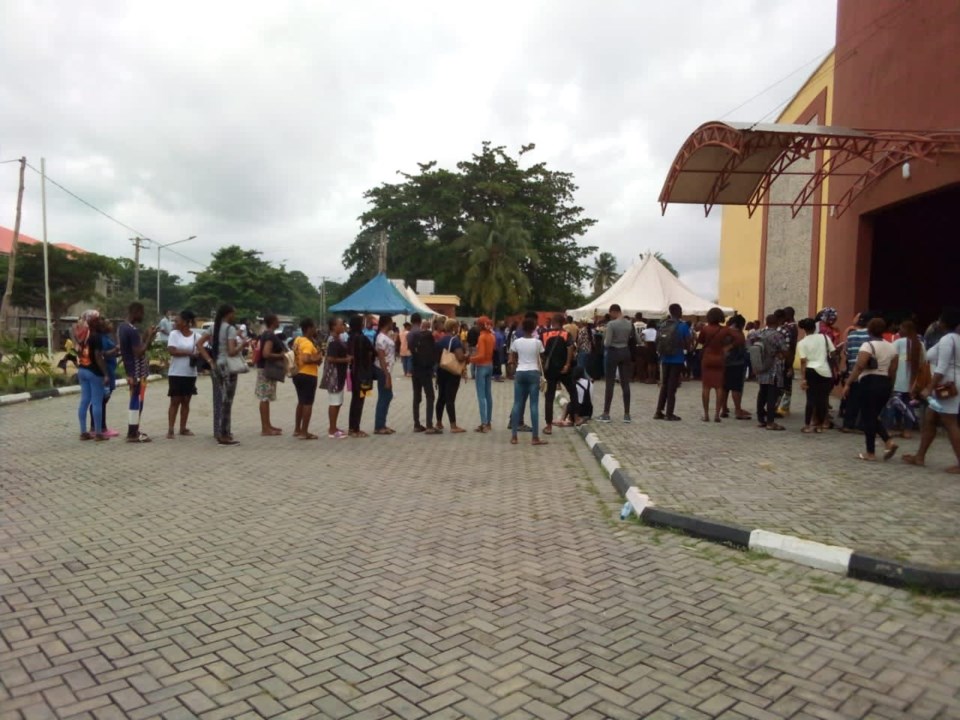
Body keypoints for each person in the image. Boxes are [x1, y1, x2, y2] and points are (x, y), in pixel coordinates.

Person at [904, 308, 960, 473]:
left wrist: (929, 387)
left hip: (945, 385)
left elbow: (941, 367)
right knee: (929, 419)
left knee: (950, 423)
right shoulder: (955, 339)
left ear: (943, 322)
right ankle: (920, 456)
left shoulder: (947, 340)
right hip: (951, 382)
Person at [843, 317, 898, 461]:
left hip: (869, 382)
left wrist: (848, 383)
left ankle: (871, 452)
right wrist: (890, 387)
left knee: (868, 417)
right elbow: (893, 371)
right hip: (884, 382)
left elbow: (859, 366)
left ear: (869, 330)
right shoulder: (892, 347)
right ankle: (888, 442)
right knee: (873, 416)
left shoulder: (867, 346)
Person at [118, 301, 158, 443]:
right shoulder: (132, 330)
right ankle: (132, 433)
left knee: (136, 399)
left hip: (132, 370)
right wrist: (148, 338)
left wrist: (148, 335)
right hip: (137, 371)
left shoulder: (123, 327)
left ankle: (134, 429)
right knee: (136, 400)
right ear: (136, 313)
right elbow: (139, 352)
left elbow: (136, 346)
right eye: (142, 313)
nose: (143, 316)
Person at [509, 317, 548, 447]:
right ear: (534, 328)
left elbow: (512, 357)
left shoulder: (516, 342)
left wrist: (516, 367)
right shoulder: (537, 342)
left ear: (522, 328)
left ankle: (514, 436)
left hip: (520, 372)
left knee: (517, 404)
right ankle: (535, 437)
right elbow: (542, 358)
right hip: (533, 373)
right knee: (534, 405)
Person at [166, 310, 204, 439]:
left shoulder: (196, 337)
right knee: (175, 400)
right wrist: (189, 354)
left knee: (186, 401)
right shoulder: (174, 334)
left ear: (186, 322)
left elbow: (201, 350)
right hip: (176, 372)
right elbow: (172, 350)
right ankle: (170, 428)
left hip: (190, 373)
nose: (175, 323)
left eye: (178, 320)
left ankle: (183, 427)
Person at [211, 304, 245, 446]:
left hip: (217, 364)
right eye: (233, 313)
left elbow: (200, 343)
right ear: (228, 314)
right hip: (228, 366)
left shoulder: (214, 327)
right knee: (227, 401)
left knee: (221, 399)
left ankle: (220, 431)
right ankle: (224, 433)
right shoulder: (230, 329)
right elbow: (231, 351)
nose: (234, 316)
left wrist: (209, 359)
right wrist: (242, 345)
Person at [797, 317, 836, 433]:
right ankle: (820, 425)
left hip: (811, 370)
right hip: (825, 371)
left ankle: (807, 425)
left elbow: (803, 362)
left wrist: (803, 379)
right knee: (823, 399)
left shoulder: (802, 343)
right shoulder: (824, 337)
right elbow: (833, 352)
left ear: (804, 329)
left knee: (810, 399)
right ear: (815, 328)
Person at [696, 307, 734, 422]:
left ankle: (706, 414)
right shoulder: (725, 330)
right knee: (719, 387)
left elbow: (701, 341)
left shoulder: (705, 329)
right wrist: (727, 348)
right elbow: (738, 339)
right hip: (720, 358)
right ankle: (717, 414)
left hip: (707, 358)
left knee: (706, 387)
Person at [541, 313, 577, 434]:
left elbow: (541, 352)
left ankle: (548, 425)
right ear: (563, 323)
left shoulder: (545, 334)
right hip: (564, 369)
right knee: (573, 391)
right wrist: (567, 364)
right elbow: (570, 348)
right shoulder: (566, 334)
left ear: (553, 322)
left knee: (549, 397)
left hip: (550, 370)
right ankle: (575, 417)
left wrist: (542, 367)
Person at [654, 303, 691, 421]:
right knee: (672, 386)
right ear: (679, 312)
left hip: (664, 358)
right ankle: (669, 413)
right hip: (677, 358)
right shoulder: (683, 326)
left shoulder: (663, 324)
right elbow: (687, 342)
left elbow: (657, 341)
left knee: (664, 385)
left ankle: (658, 411)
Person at [76, 313, 109, 441]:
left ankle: (83, 432)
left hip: (82, 370)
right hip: (94, 372)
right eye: (99, 320)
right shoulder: (97, 337)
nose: (101, 322)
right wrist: (105, 374)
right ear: (94, 323)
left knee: (84, 401)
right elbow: (98, 357)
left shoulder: (84, 335)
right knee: (97, 402)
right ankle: (99, 433)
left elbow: (79, 351)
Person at [598, 304, 633, 423]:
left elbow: (607, 343)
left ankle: (606, 413)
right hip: (625, 352)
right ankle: (627, 414)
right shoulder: (629, 323)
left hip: (613, 353)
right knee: (625, 384)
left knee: (610, 383)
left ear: (614, 312)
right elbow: (637, 339)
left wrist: (605, 337)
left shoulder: (611, 324)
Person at [889, 319, 924, 439]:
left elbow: (891, 359)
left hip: (898, 380)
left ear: (906, 330)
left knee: (896, 404)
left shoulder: (898, 343)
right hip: (912, 381)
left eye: (901, 328)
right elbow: (923, 363)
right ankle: (908, 429)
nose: (899, 331)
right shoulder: (920, 344)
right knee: (909, 406)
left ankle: (897, 426)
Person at [752, 314, 787, 431]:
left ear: (766, 323)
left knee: (762, 393)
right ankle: (770, 422)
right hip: (773, 369)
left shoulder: (758, 334)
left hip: (761, 367)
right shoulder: (778, 336)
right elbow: (785, 351)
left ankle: (761, 419)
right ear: (777, 323)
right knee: (772, 395)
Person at [406, 312, 438, 434]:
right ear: (420, 321)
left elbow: (411, 349)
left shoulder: (410, 334)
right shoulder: (424, 335)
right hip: (425, 369)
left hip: (415, 368)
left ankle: (416, 424)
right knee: (430, 395)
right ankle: (429, 425)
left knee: (416, 396)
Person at [292, 318, 323, 440]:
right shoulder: (307, 343)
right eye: (314, 327)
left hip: (297, 374)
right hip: (308, 375)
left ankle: (297, 429)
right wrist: (317, 359)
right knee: (308, 404)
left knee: (301, 401)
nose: (315, 329)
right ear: (309, 328)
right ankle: (304, 432)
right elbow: (305, 358)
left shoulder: (298, 340)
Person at [321, 317, 351, 439]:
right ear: (334, 327)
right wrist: (346, 359)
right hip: (334, 374)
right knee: (334, 401)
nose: (343, 326)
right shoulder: (333, 340)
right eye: (340, 324)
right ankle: (332, 429)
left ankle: (334, 426)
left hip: (340, 373)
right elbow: (331, 359)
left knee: (338, 401)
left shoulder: (339, 339)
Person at [841, 312, 871, 433]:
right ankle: (862, 425)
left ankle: (848, 424)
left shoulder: (851, 335)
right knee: (866, 400)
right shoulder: (871, 335)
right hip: (867, 371)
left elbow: (846, 352)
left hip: (852, 370)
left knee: (852, 400)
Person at [436, 318, 466, 433]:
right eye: (457, 327)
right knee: (450, 398)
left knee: (441, 397)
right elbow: (459, 357)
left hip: (441, 370)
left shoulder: (441, 339)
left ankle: (438, 422)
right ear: (454, 328)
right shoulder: (455, 340)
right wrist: (466, 356)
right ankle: (453, 425)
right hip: (452, 372)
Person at [347, 314, 375, 438]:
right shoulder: (362, 338)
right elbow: (372, 352)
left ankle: (352, 427)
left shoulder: (350, 337)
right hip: (363, 373)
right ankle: (355, 428)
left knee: (355, 400)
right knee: (360, 399)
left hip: (353, 372)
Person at [719, 315, 751, 420]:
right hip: (737, 363)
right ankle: (738, 410)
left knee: (725, 387)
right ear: (741, 324)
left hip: (724, 363)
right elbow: (743, 347)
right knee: (736, 388)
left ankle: (723, 409)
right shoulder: (738, 334)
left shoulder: (724, 332)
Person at [470, 316, 495, 433]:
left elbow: (481, 355)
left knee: (481, 396)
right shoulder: (492, 336)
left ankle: (483, 423)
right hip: (490, 365)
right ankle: (488, 422)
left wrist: (469, 359)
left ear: (480, 325)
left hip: (481, 367)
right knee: (488, 394)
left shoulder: (482, 337)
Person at [373, 315, 396, 435]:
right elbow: (381, 357)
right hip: (383, 370)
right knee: (384, 396)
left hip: (387, 370)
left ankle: (382, 423)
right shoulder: (381, 338)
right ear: (387, 322)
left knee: (387, 396)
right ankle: (379, 425)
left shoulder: (385, 336)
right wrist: (386, 375)